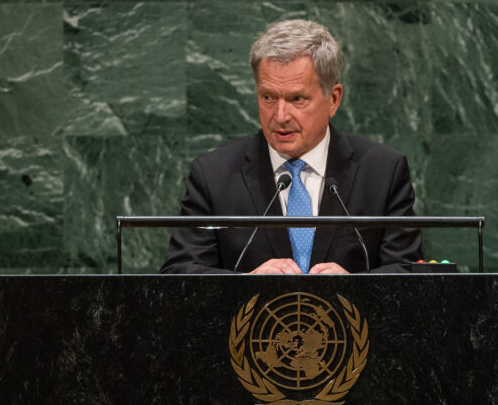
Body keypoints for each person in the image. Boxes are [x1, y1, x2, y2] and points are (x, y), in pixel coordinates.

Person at [160, 19, 422, 274]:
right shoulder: (213, 176)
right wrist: (243, 286)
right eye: (268, 98)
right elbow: (178, 273)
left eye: (297, 99)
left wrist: (357, 290)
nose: (281, 115)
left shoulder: (382, 173)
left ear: (333, 99)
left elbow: (407, 273)